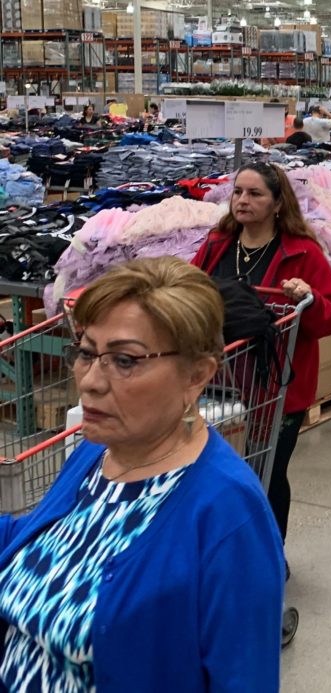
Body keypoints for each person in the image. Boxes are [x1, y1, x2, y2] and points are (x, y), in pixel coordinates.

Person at [0, 256, 283, 691]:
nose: (90, 381)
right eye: (86, 353)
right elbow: (54, 542)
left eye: (125, 360)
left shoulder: (228, 515)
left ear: (197, 375)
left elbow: (243, 678)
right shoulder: (96, 453)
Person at [192, 163, 331, 557]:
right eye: (238, 192)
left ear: (278, 203)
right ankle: (230, 551)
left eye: (255, 194)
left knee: (267, 472)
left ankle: (269, 555)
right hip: (219, 381)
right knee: (221, 473)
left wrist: (306, 299)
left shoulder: (303, 253)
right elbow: (188, 295)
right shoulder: (216, 245)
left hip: (276, 387)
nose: (243, 201)